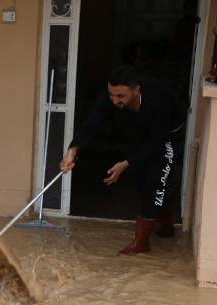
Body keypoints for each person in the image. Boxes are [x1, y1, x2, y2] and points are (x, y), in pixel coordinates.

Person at [60, 65, 185, 255]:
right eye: (111, 94)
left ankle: (141, 243)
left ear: (136, 90)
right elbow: (92, 123)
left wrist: (124, 164)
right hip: (141, 130)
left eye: (120, 96)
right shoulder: (110, 97)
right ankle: (163, 225)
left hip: (166, 134)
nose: (114, 100)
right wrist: (72, 150)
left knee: (157, 179)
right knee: (141, 178)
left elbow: (156, 142)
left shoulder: (160, 100)